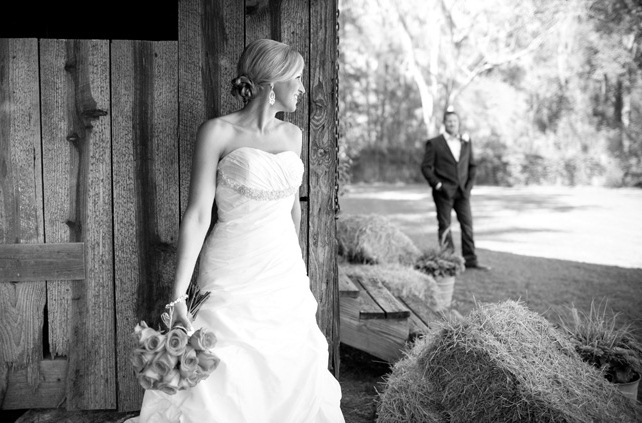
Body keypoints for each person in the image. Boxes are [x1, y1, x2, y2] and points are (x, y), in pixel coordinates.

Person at [129, 39, 345, 423]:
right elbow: (198, 215)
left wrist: (295, 268)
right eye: (296, 78)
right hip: (232, 265)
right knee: (225, 360)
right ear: (271, 83)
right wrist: (177, 297)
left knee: (291, 356)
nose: (301, 87)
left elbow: (292, 209)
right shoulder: (217, 132)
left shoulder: (293, 136)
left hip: (282, 269)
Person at [420, 110, 490, 271]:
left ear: (459, 123)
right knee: (445, 226)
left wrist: (469, 187)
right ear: (444, 123)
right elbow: (426, 167)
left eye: (455, 121)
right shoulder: (434, 143)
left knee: (467, 226)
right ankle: (449, 262)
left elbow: (472, 166)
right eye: (449, 121)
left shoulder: (466, 142)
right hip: (443, 193)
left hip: (463, 192)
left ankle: (470, 260)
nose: (452, 123)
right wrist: (438, 185)